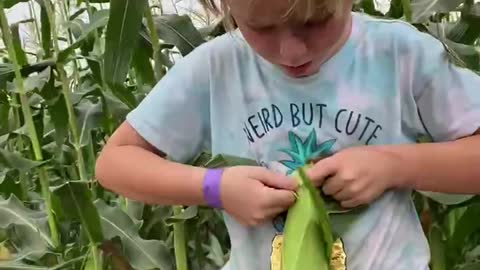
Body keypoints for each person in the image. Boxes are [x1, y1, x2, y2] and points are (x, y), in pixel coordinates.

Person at [94, 0, 480, 269]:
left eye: (315, 22)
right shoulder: (215, 70)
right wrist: (216, 187)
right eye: (260, 27)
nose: (291, 52)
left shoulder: (400, 55)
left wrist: (392, 165)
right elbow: (115, 163)